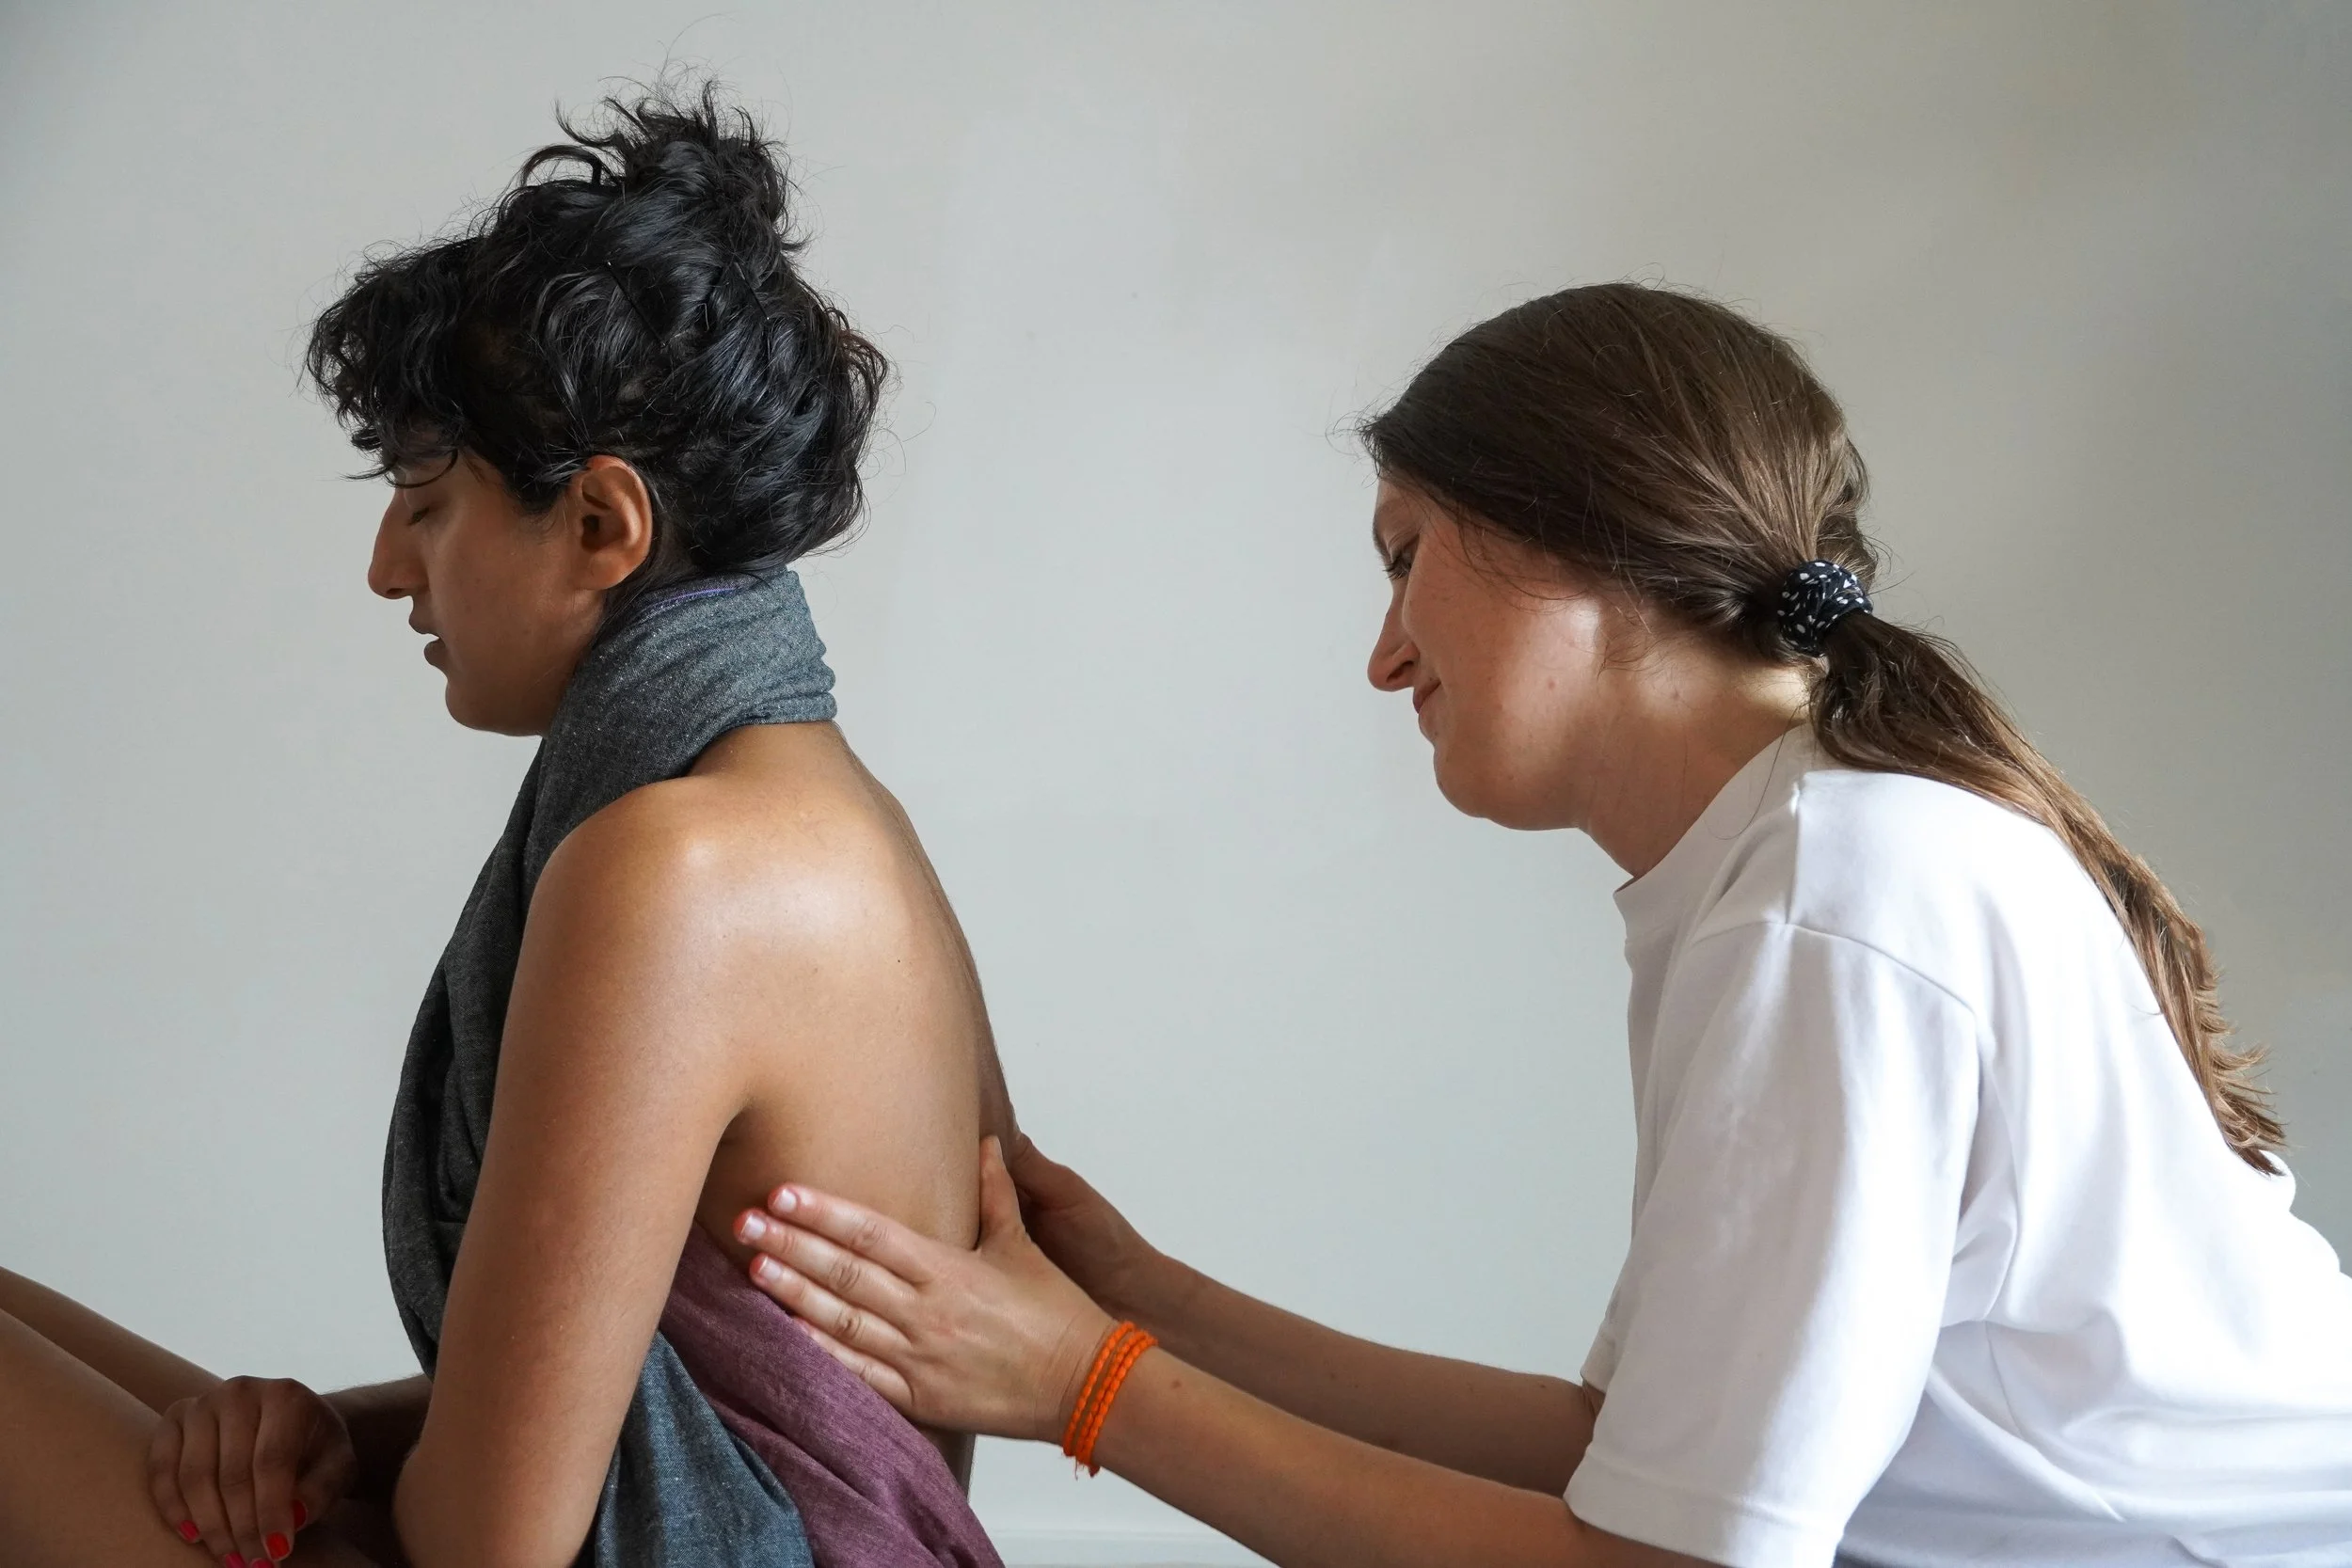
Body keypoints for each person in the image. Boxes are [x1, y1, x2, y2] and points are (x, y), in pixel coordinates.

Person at [727, 282, 2352, 1567]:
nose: (1383, 655)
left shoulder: (1835, 905)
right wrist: (1151, 1304)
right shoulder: (1790, 864)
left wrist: (1082, 1389)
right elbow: (1619, 1450)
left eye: (1406, 558)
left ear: (1580, 537)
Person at [0, 87, 1012, 1568]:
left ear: (602, 525)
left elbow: (492, 1551)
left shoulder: (679, 869)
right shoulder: (845, 821)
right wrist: (327, 1432)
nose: (384, 564)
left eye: (424, 492)